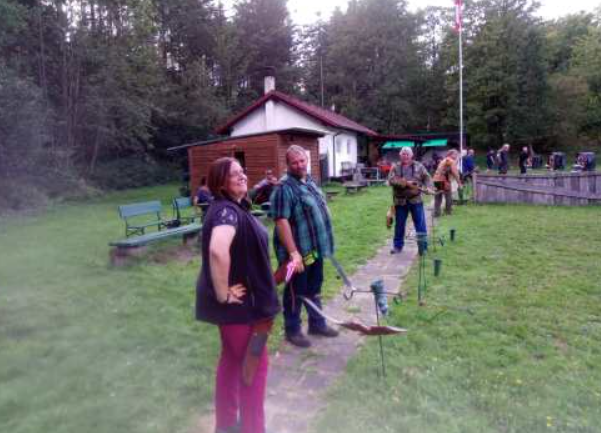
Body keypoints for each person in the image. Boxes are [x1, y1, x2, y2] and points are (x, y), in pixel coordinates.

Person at [195, 157, 280, 433]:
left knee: (232, 363)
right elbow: (218, 250)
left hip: (244, 311)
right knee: (255, 368)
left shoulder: (233, 208)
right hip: (244, 312)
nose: (243, 176)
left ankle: (226, 425)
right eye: (234, 174)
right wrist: (222, 294)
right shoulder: (226, 212)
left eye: (243, 171)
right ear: (221, 182)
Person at [270, 145, 339, 348]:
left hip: (314, 250)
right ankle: (292, 330)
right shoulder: (284, 188)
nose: (300, 165)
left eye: (302, 161)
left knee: (314, 286)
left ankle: (317, 324)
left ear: (307, 160)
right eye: (295, 162)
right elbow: (281, 221)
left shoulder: (309, 181)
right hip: (298, 254)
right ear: (287, 164)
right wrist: (293, 253)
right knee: (295, 290)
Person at [388, 147, 433, 255]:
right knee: (399, 224)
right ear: (400, 155)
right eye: (403, 154)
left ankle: (423, 247)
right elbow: (390, 180)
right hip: (400, 201)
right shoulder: (395, 167)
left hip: (416, 200)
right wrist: (405, 183)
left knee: (420, 225)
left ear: (411, 155)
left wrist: (429, 187)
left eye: (407, 154)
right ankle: (397, 246)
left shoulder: (419, 166)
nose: (405, 156)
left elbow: (427, 177)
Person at [433, 149, 463, 217]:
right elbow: (455, 173)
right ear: (451, 154)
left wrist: (458, 159)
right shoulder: (450, 161)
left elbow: (452, 166)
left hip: (436, 180)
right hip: (444, 181)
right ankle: (448, 212)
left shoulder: (445, 160)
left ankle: (436, 213)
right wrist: (459, 183)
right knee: (448, 196)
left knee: (438, 197)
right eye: (455, 154)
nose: (456, 156)